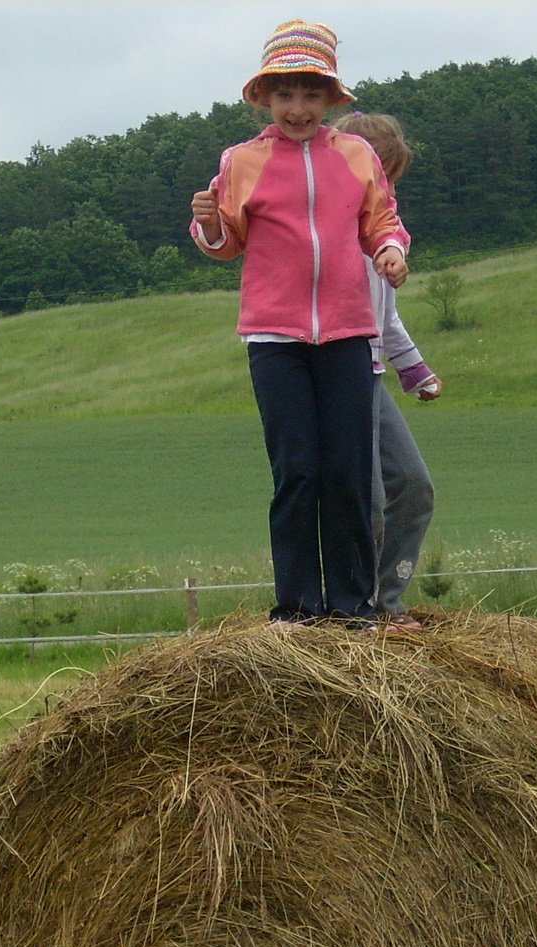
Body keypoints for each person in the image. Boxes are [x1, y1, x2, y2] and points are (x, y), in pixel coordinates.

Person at [189, 20, 409, 626]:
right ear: (264, 97)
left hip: (345, 335)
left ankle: (352, 604)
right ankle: (297, 607)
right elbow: (225, 241)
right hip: (275, 340)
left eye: (312, 95)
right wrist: (208, 222)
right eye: (285, 94)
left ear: (331, 100)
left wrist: (391, 250)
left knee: (346, 472)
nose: (298, 108)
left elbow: (382, 220)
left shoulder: (358, 156)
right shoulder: (242, 161)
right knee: (298, 473)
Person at [331, 111, 440, 633]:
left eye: (392, 178)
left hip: (373, 377)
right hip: (338, 376)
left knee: (415, 488)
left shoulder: (386, 244)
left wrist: (416, 373)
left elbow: (387, 319)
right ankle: (354, 608)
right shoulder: (329, 239)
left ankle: (388, 601)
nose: (388, 188)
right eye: (381, 176)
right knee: (366, 503)